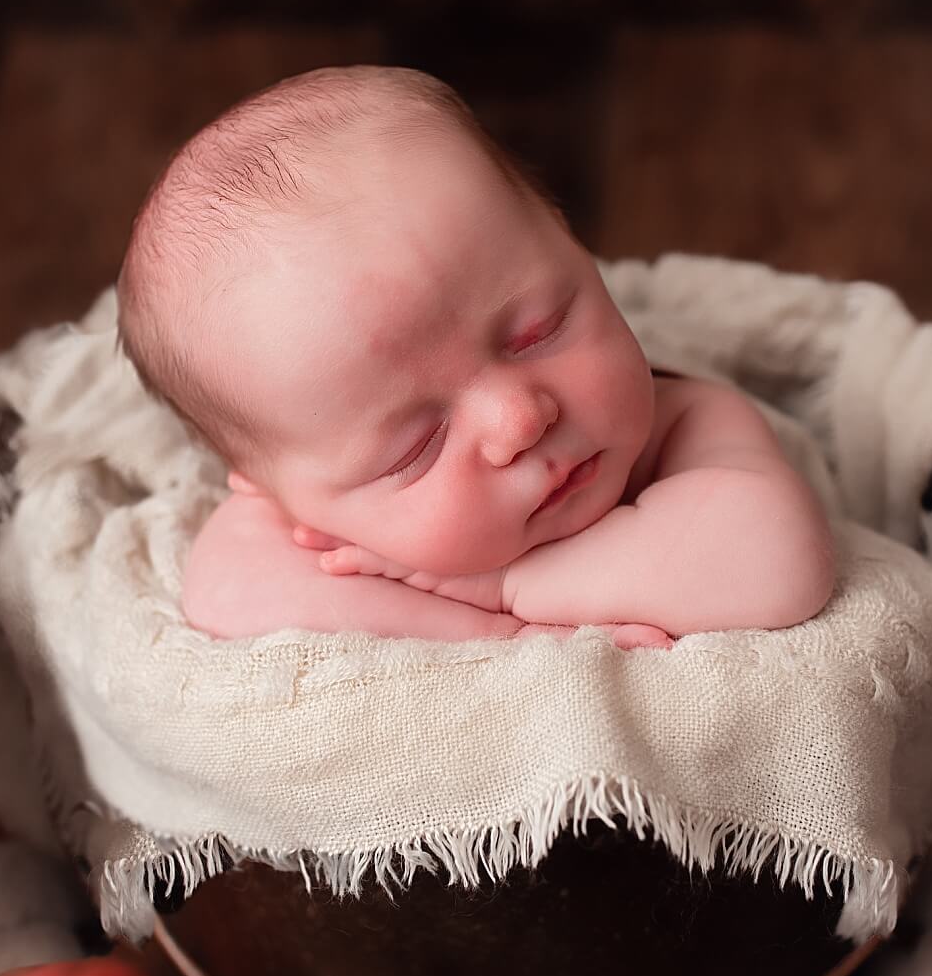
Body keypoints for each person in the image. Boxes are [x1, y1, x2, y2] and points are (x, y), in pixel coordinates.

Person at [116, 66, 837, 650]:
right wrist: (481, 631)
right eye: (415, 448)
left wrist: (508, 588)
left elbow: (779, 564)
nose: (519, 419)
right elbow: (223, 592)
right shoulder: (312, 522)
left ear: (572, 244)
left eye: (538, 331)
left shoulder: (689, 424)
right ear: (272, 491)